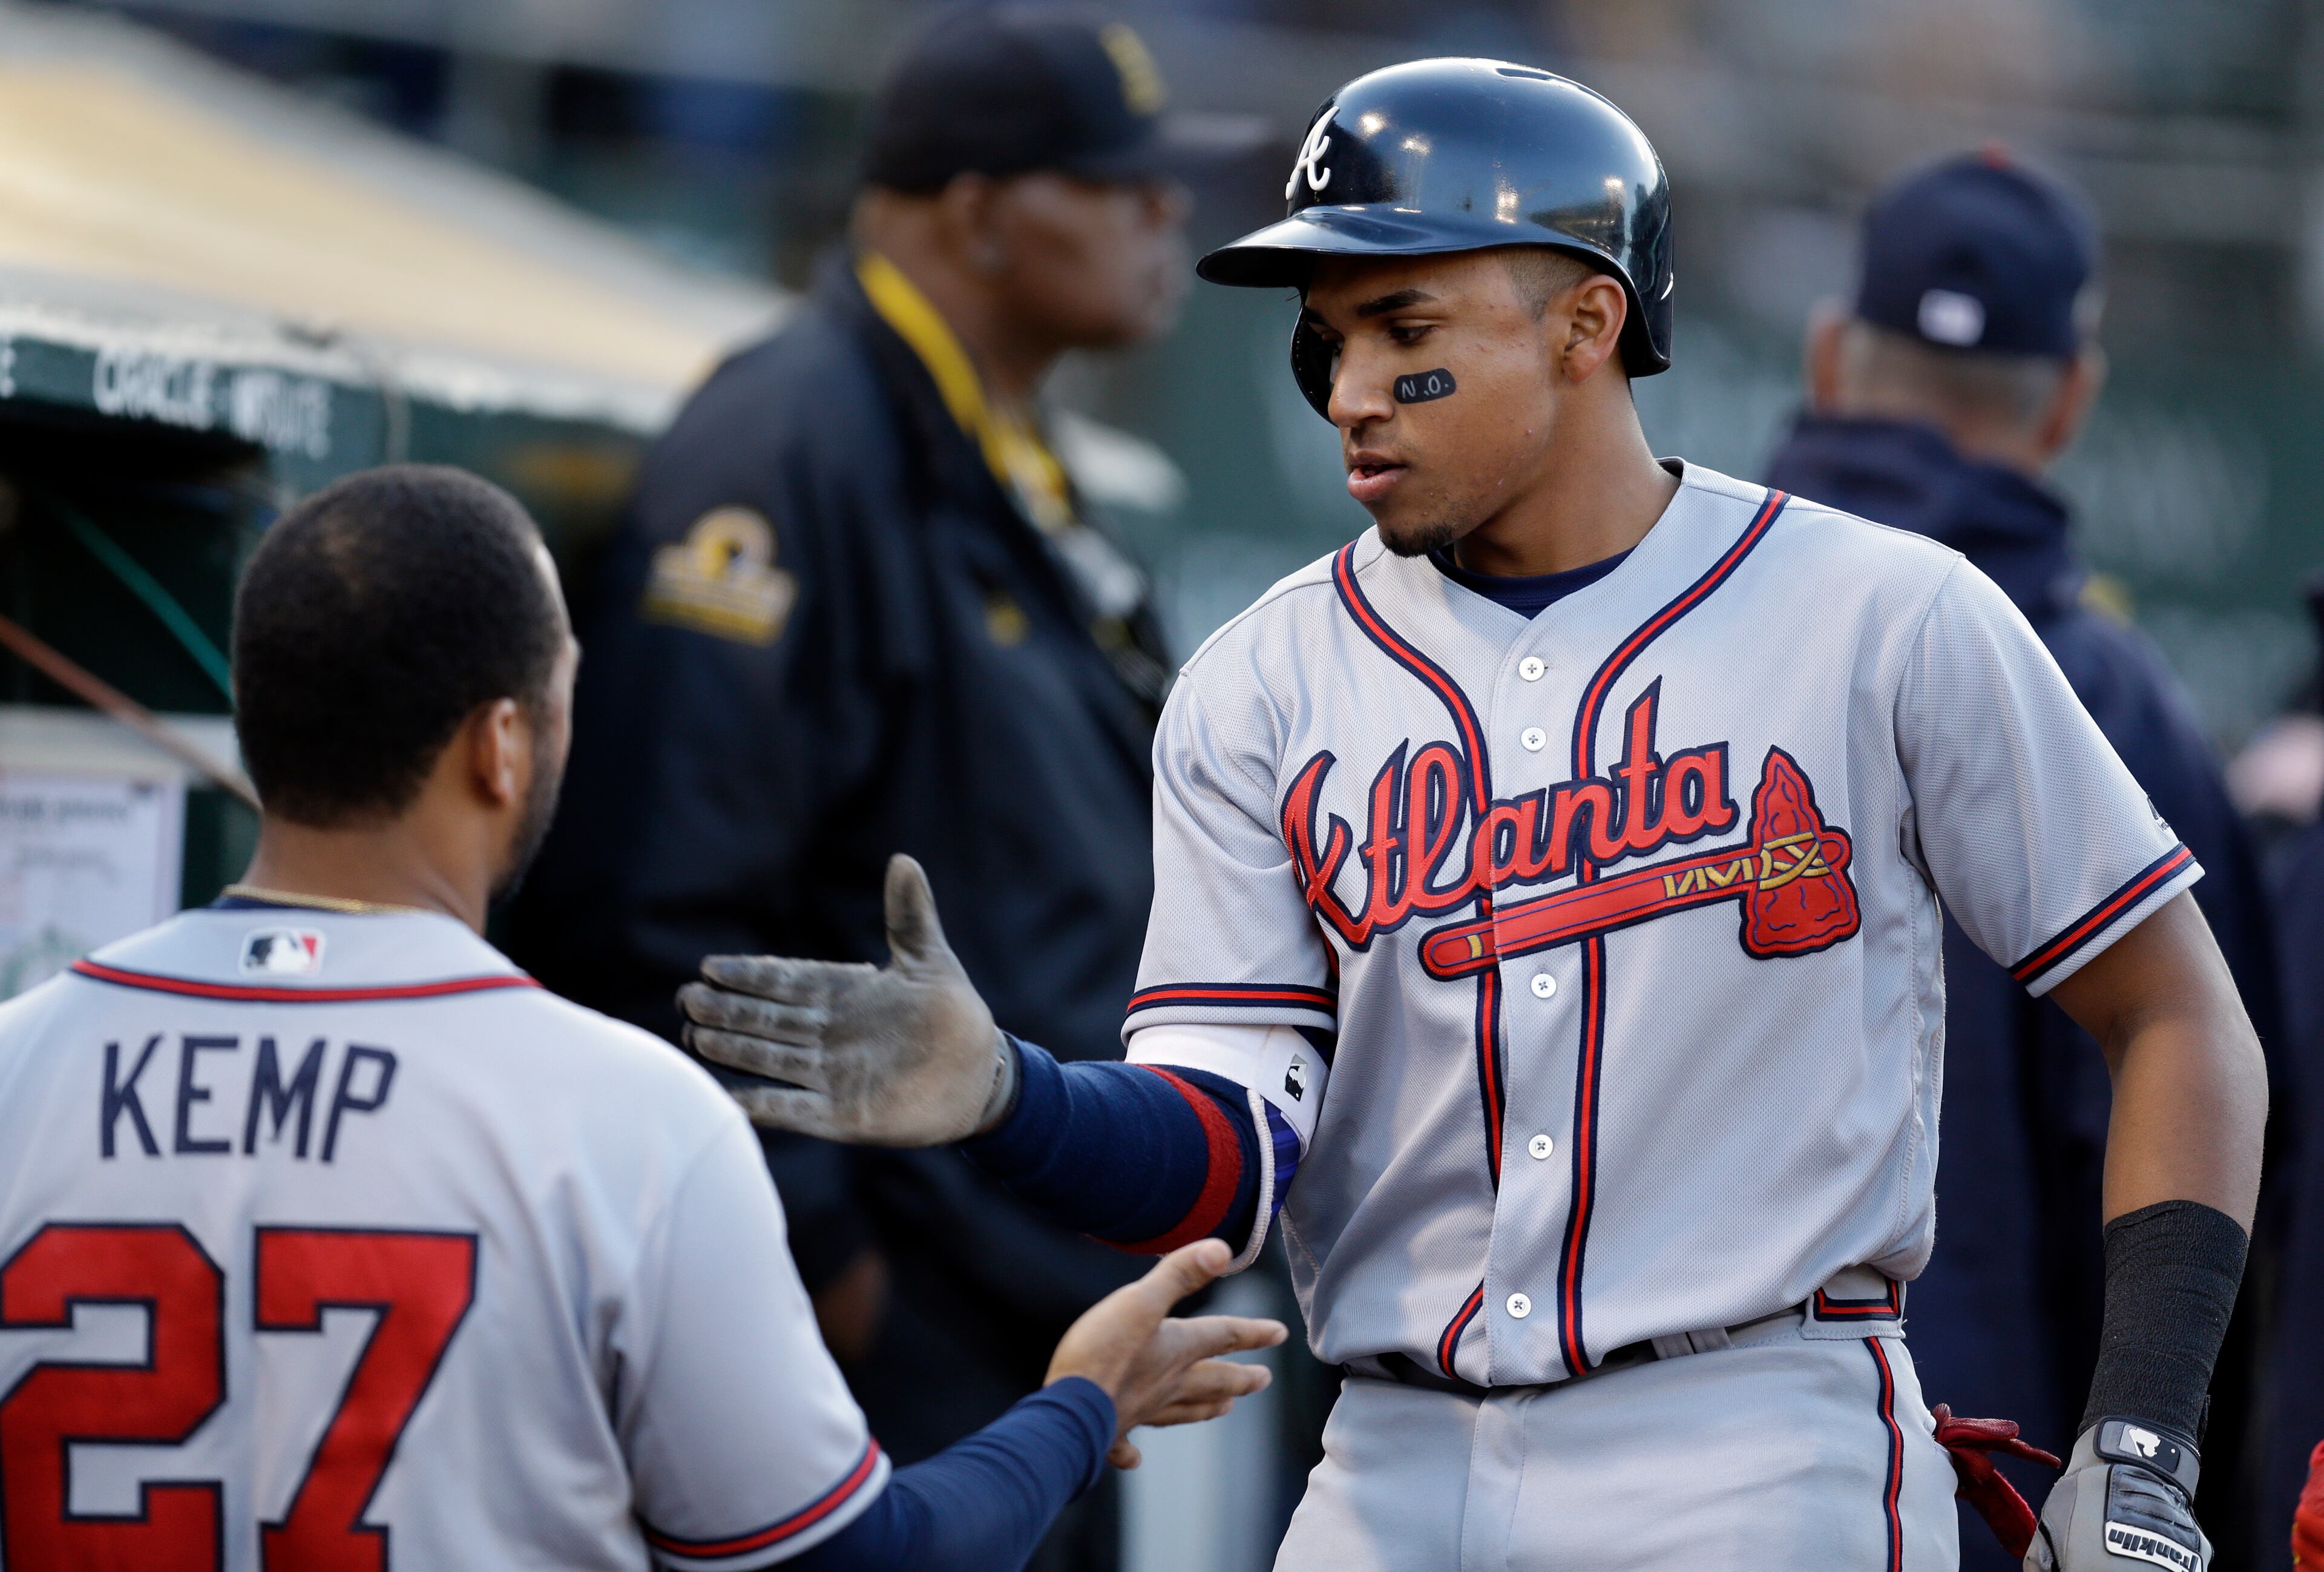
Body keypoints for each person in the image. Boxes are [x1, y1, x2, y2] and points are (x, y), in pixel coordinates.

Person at [679, 61, 2271, 1571]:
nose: (1349, 390)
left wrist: (2138, 1439)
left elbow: (2178, 1012)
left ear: (1588, 322)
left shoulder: (1883, 616)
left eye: (1402, 325)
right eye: (1326, 340)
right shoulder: (1264, 681)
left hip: (1754, 1443)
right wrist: (1008, 1098)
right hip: (1389, 1458)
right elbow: (1231, 1153)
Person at [0, 465, 1282, 1571]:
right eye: (562, 691)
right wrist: (1076, 1408)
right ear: (502, 746)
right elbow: (851, 1563)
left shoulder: (19, 1064)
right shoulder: (622, 1115)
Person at [506, 11, 1198, 1564]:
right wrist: (816, 1254)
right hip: (896, 1313)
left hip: (1025, 1285)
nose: (1171, 219)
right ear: (977, 210)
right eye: (1123, 187)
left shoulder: (988, 433)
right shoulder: (793, 437)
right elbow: (651, 896)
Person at [1759, 151, 2284, 1570]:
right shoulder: (2120, 709)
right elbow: (2209, 1167)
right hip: (1993, 1478)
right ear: (2071, 396)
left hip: (1659, 1481)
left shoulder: (1664, 658)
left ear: (1824, 353)